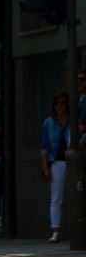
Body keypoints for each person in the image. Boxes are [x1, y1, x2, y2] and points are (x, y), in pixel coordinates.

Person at [41, 91, 72, 243]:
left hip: (72, 162)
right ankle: (55, 231)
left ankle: (76, 229)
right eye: (57, 103)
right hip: (56, 162)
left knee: (75, 195)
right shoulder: (49, 123)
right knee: (56, 198)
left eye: (62, 103)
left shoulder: (74, 121)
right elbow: (45, 147)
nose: (59, 106)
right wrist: (45, 168)